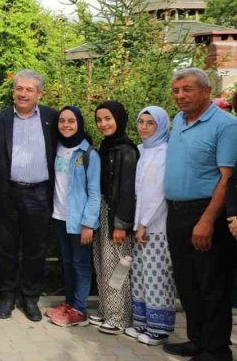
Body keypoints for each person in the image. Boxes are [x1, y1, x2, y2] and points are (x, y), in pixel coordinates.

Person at [163, 68, 237, 361]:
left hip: (207, 214)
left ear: (206, 91)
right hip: (177, 213)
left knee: (212, 284)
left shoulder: (226, 126)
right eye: (176, 90)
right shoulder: (178, 121)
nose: (180, 96)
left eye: (187, 90)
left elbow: (227, 179)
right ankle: (198, 340)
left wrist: (207, 221)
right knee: (187, 282)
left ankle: (218, 351)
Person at [0, 69, 58, 322]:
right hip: (7, 192)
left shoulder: (52, 118)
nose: (23, 94)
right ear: (13, 91)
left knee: (35, 249)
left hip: (40, 193)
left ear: (39, 94)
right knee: (5, 247)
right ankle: (7, 295)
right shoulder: (0, 119)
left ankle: (30, 298)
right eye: (19, 88)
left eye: (29, 90)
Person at [124, 106, 176, 346]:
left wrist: (144, 223)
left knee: (157, 275)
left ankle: (160, 328)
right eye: (141, 122)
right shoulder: (141, 150)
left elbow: (158, 193)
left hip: (156, 225)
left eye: (150, 123)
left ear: (161, 126)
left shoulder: (166, 152)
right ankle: (142, 322)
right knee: (140, 274)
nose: (143, 127)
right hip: (138, 223)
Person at [44, 106, 100, 328]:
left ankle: (80, 309)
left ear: (79, 123)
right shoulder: (57, 148)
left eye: (71, 121)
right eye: (62, 121)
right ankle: (69, 303)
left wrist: (89, 223)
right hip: (59, 216)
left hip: (79, 220)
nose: (66, 125)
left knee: (80, 264)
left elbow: (94, 192)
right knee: (67, 262)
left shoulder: (88, 154)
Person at [90, 101, 137, 335]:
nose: (103, 124)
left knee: (117, 267)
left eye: (108, 118)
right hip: (103, 212)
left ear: (119, 119)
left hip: (116, 217)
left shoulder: (126, 150)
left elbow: (127, 190)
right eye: (99, 119)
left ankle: (119, 316)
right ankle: (107, 310)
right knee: (102, 264)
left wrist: (121, 224)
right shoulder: (106, 146)